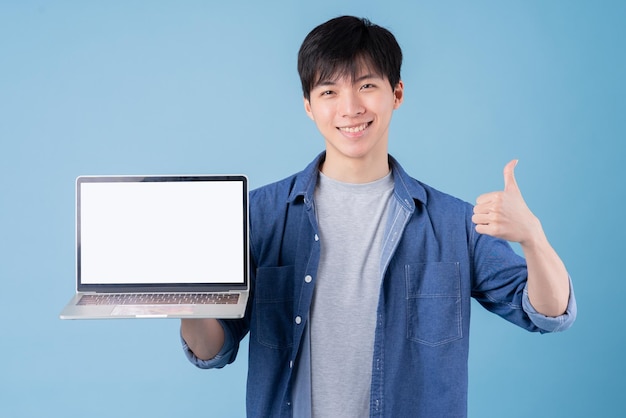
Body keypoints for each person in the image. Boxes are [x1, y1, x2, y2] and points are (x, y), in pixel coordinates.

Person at [180, 15, 577, 418]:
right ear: (308, 106)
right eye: (329, 91)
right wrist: (185, 291)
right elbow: (211, 348)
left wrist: (533, 238)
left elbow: (547, 313)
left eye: (366, 85)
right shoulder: (259, 217)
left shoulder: (453, 223)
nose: (350, 108)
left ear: (397, 93)